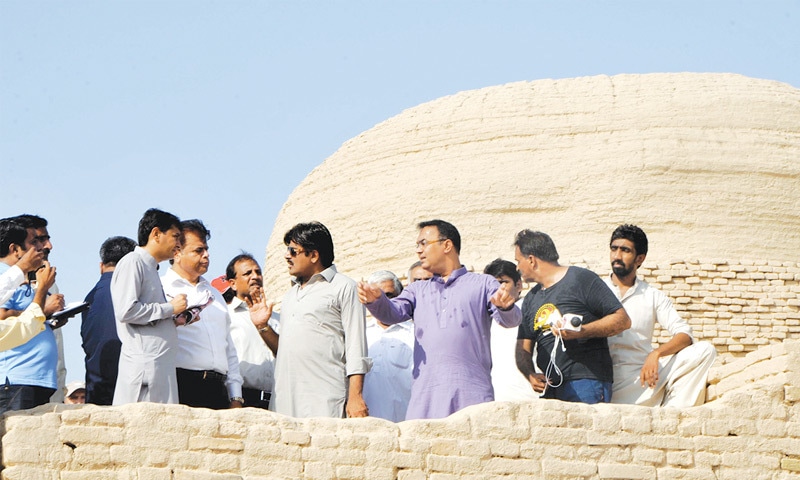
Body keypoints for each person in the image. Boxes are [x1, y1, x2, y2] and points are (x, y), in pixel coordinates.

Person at [359, 220, 521, 420]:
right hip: (426, 398)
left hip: (471, 393)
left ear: (447, 245)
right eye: (417, 245)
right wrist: (377, 301)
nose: (419, 251)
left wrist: (506, 307)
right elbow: (392, 313)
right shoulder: (417, 289)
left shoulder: (483, 284)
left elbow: (510, 320)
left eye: (424, 243)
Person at [605, 224, 716, 407]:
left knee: (705, 351)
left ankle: (674, 416)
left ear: (640, 259)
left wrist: (656, 354)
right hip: (603, 381)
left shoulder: (652, 295)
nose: (617, 256)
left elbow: (685, 335)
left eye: (625, 250)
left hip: (642, 380)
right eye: (614, 249)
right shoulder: (595, 288)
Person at [514, 229, 631, 404]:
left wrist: (581, 331)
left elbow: (622, 320)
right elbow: (523, 346)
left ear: (531, 260)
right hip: (551, 388)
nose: (517, 268)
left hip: (586, 382)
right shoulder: (531, 299)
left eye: (518, 261)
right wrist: (530, 374)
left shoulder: (581, 279)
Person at [270, 221, 371, 418]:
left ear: (314, 255)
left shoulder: (344, 287)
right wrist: (262, 327)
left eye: (293, 251)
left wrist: (355, 396)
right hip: (284, 399)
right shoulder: (291, 295)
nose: (286, 256)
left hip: (324, 397)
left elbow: (356, 345)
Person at [162, 220, 243, 409]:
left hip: (218, 390)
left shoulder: (215, 295)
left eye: (206, 249)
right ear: (177, 252)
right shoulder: (160, 289)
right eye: (198, 250)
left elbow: (228, 347)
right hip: (180, 386)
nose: (206, 255)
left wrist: (236, 396)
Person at [111, 208, 187, 405]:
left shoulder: (150, 267)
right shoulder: (133, 262)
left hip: (157, 370)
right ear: (156, 234)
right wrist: (169, 308)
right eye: (175, 236)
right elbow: (126, 310)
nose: (179, 244)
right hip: (145, 371)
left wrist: (172, 318)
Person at [0, 214, 68, 413]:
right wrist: (43, 308)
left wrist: (50, 316)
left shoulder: (31, 278)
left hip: (39, 380)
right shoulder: (6, 276)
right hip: (16, 380)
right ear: (15, 249)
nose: (45, 247)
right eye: (35, 241)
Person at [80, 236, 137, 405]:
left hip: (97, 387)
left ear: (101, 266)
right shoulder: (133, 294)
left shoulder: (90, 297)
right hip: (127, 388)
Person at [225, 253, 279, 410]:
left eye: (258, 272)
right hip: (242, 400)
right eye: (248, 273)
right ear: (233, 284)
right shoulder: (226, 315)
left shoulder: (277, 317)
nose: (255, 276)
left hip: (278, 402)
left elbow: (285, 353)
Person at [483, 259, 539, 401]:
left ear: (519, 285)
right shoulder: (483, 317)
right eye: (492, 283)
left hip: (528, 398)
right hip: (492, 400)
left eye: (503, 282)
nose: (498, 288)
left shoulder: (529, 310)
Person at [362, 270, 414, 422]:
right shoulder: (362, 335)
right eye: (376, 295)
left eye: (389, 295)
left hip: (408, 423)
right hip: (369, 425)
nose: (382, 300)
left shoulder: (416, 334)